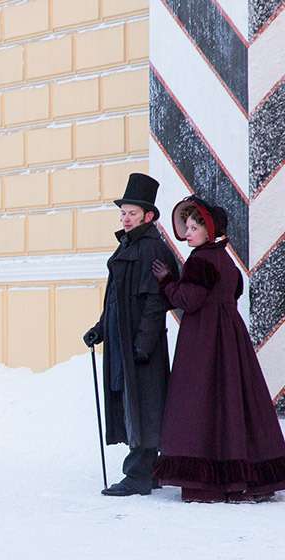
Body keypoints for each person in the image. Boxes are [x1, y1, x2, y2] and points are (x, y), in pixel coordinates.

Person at [151, 197, 285, 502]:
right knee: (234, 401)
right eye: (186, 226)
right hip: (230, 336)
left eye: (194, 226)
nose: (188, 232)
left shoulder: (201, 260)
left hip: (204, 339)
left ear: (209, 230)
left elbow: (189, 300)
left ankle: (208, 481)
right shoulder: (227, 261)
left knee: (201, 402)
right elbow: (233, 293)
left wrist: (167, 282)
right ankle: (250, 476)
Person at [83, 173, 180, 496]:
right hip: (122, 339)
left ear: (148, 216)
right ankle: (148, 471)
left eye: (132, 213)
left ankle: (139, 474)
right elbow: (115, 297)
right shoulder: (129, 246)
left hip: (139, 344)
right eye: (123, 213)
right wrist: (100, 328)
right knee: (133, 401)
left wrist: (143, 344)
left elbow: (155, 302)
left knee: (145, 403)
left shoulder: (152, 249)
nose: (125, 219)